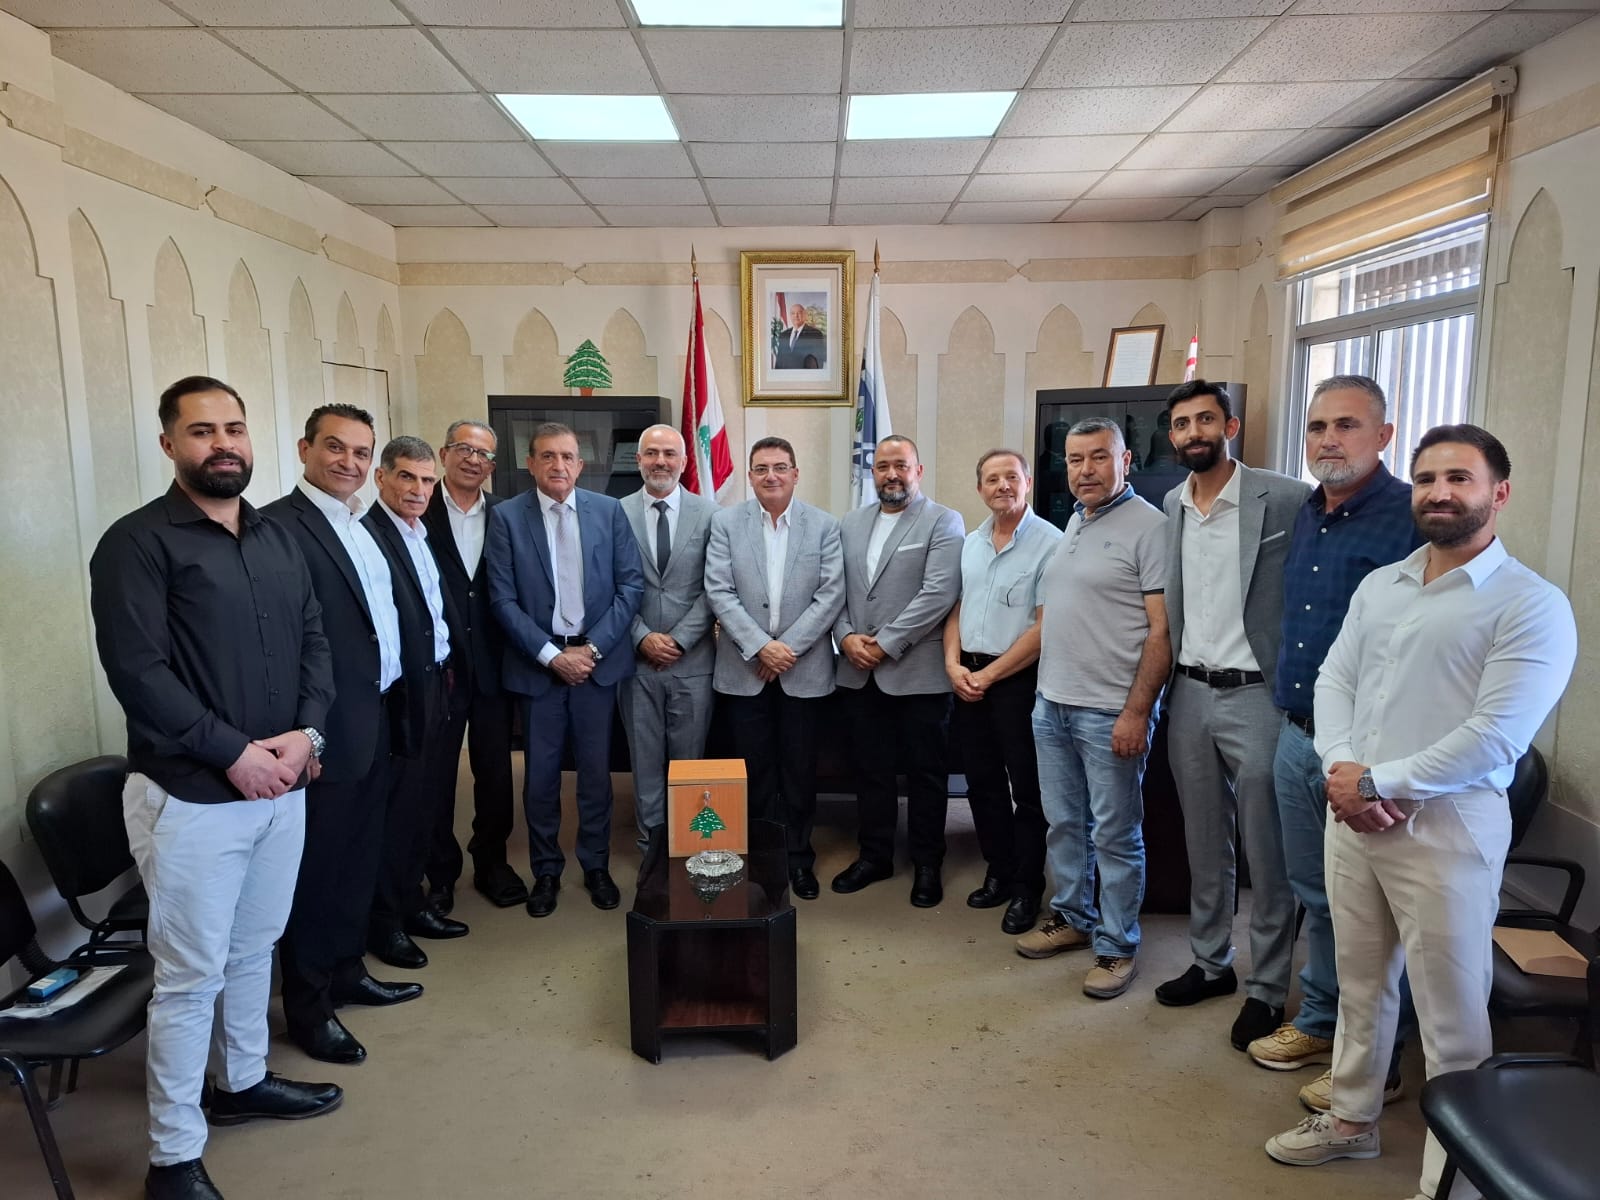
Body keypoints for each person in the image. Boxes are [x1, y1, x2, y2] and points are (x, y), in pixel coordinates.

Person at [1266, 424, 1576, 1200]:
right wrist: (1346, 772)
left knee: (1451, 1015)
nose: (1440, 491)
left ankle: (1454, 1179)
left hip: (1447, 829)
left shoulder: (1532, 604)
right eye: (1429, 477)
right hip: (1355, 816)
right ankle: (1351, 1119)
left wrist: (1379, 784)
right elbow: (1335, 681)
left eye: (1460, 478)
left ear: (1498, 493)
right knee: (1360, 983)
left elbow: (1495, 735)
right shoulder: (1385, 584)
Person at [90, 376, 340, 1200]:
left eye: (234, 428)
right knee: (190, 977)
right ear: (170, 444)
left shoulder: (276, 538)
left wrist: (307, 735)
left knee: (253, 947)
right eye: (202, 431)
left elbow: (314, 641)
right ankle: (172, 1157)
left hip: (282, 786)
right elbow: (139, 673)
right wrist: (234, 753)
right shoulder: (136, 543)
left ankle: (241, 1081)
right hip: (193, 798)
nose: (223, 443)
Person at [1247, 375, 1425, 1114]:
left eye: (1347, 425)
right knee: (1317, 894)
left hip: (1372, 755)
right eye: (1318, 425)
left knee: (1376, 911)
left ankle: (1380, 1055)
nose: (1328, 439)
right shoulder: (1306, 512)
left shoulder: (1415, 517)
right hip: (1298, 735)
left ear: (1383, 435)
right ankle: (1323, 1020)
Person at [1150, 381, 1309, 1051]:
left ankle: (1268, 987)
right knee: (1203, 839)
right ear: (1172, 435)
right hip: (1189, 691)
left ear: (1230, 425)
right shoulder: (1172, 503)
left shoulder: (1287, 498)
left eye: (1205, 420)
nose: (1194, 432)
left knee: (1267, 850)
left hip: (1258, 695)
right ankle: (1212, 962)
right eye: (1182, 423)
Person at [263, 405, 421, 1067]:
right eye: (335, 448)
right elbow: (284, 646)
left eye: (361, 452)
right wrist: (308, 735)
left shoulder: (361, 524)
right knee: (317, 872)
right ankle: (309, 1006)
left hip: (377, 716)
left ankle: (349, 970)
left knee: (360, 857)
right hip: (325, 733)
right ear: (305, 449)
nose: (348, 462)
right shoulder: (276, 528)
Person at [1018, 417, 1170, 1001]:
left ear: (1125, 461)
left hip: (1110, 712)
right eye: (1075, 459)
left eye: (1099, 457)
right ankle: (1072, 917)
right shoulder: (1075, 521)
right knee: (1064, 824)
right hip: (1052, 704)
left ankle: (1117, 944)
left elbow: (1162, 633)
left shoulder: (1150, 528)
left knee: (1115, 835)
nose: (1085, 470)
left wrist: (1137, 713)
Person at [486, 422, 644, 917]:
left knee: (596, 774)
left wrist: (591, 650)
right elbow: (501, 599)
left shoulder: (609, 512)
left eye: (568, 457)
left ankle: (596, 865)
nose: (559, 465)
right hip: (539, 667)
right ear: (530, 463)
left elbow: (630, 587)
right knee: (541, 777)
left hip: (595, 666)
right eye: (548, 456)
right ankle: (546, 871)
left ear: (581, 464)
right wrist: (552, 656)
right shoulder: (506, 517)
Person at [704, 437, 846, 897]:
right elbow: (719, 591)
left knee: (800, 772)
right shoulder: (725, 523)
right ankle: (764, 860)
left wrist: (785, 649)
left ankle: (799, 858)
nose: (771, 475)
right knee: (755, 772)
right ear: (750, 475)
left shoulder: (824, 526)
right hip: (744, 671)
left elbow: (830, 595)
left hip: (803, 672)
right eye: (762, 468)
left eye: (780, 467)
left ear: (795, 473)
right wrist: (761, 647)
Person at [831, 435, 964, 907]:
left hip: (917, 672)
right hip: (857, 669)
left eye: (901, 466)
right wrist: (845, 636)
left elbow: (939, 593)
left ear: (918, 471)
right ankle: (875, 856)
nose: (892, 474)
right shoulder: (851, 523)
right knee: (871, 771)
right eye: (883, 465)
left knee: (926, 774)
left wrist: (885, 644)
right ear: (873, 472)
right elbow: (836, 589)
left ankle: (927, 862)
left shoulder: (943, 521)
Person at [942, 449, 1060, 933]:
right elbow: (957, 608)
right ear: (980, 489)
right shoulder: (970, 543)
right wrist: (952, 664)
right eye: (992, 479)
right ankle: (1000, 871)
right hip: (967, 677)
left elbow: (1044, 627)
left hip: (1017, 681)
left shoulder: (1051, 542)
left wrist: (989, 676)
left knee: (1027, 790)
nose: (1002, 486)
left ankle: (1028, 887)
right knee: (982, 783)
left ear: (1027, 482)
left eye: (1011, 476)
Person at [363, 437, 469, 968]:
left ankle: (412, 902)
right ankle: (386, 924)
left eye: (427, 480)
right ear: (381, 477)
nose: (418, 490)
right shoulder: (369, 535)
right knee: (397, 813)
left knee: (425, 804)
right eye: (407, 477)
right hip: (402, 695)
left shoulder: (418, 531)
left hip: (436, 685)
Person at [420, 420, 526, 909]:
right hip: (437, 667)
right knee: (438, 775)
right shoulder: (418, 506)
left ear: (492, 465)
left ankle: (492, 862)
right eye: (463, 449)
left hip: (492, 663)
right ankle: (440, 872)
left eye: (483, 454)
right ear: (444, 454)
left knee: (496, 772)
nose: (473, 460)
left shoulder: (506, 514)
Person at [618, 424, 718, 852]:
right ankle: (651, 847)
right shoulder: (614, 512)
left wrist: (679, 639)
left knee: (689, 764)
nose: (660, 461)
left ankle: (686, 845)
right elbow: (606, 586)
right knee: (643, 762)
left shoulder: (710, 514)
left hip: (692, 662)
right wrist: (641, 637)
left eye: (669, 454)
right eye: (652, 453)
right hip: (635, 662)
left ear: (684, 461)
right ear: (638, 459)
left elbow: (716, 586)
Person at [773, 300, 825, 369]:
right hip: (786, 375)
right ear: (790, 316)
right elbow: (779, 361)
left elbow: (819, 361)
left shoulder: (815, 334)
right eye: (793, 313)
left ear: (805, 315)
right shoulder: (784, 335)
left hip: (805, 375)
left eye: (799, 313)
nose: (796, 316)